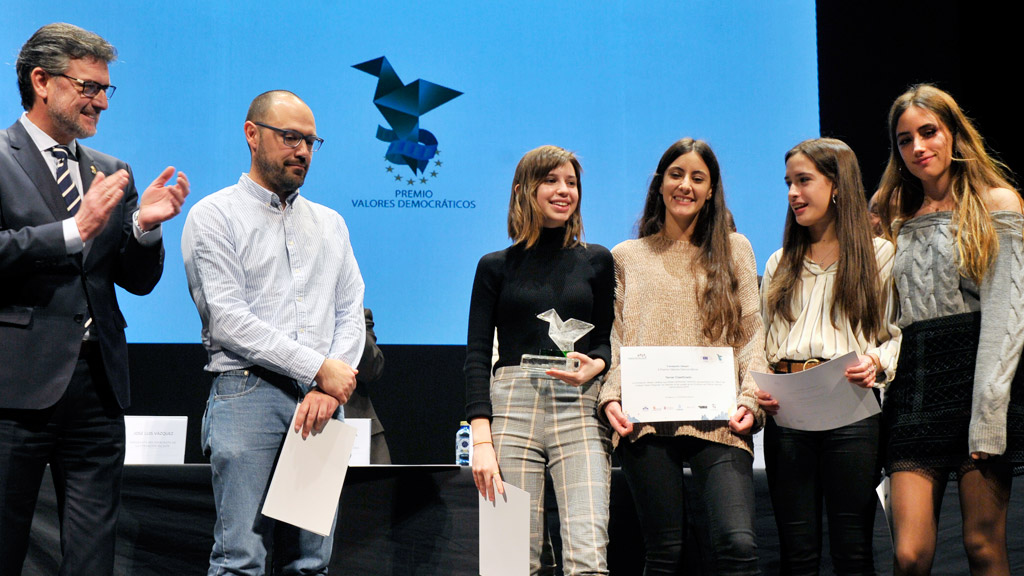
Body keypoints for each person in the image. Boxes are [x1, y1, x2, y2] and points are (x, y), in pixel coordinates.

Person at [0, 23, 189, 576]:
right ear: (41, 81)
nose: (101, 101)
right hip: (15, 388)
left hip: (97, 389)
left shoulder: (110, 170)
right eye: (88, 86)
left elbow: (136, 280)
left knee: (92, 557)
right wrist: (71, 231)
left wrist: (145, 228)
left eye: (106, 89)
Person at [181, 90, 365, 576]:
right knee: (241, 560)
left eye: (310, 141)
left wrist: (330, 383)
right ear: (252, 134)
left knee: (310, 564)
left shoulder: (331, 224)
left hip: (319, 403)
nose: (302, 151)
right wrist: (319, 368)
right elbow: (229, 320)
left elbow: (350, 311)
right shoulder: (214, 215)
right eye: (290, 137)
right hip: (247, 392)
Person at [876, 84, 1024, 576]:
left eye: (929, 132)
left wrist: (988, 413)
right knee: (909, 555)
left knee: (983, 546)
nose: (918, 147)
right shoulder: (894, 214)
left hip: (977, 380)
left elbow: (1007, 316)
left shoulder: (996, 202)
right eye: (905, 140)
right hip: (914, 387)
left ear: (954, 134)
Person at [599, 138, 766, 575]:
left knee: (738, 542)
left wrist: (750, 399)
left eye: (698, 177)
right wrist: (611, 396)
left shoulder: (736, 249)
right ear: (660, 184)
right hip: (646, 420)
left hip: (721, 420)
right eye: (676, 174)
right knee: (665, 552)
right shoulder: (626, 257)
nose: (685, 185)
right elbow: (615, 337)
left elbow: (752, 333)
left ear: (711, 191)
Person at [465, 145, 613, 575]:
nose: (564, 190)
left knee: (588, 559)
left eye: (571, 182)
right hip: (512, 408)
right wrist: (481, 440)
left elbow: (604, 342)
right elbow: (477, 355)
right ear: (523, 190)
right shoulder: (494, 267)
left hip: (579, 406)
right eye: (551, 180)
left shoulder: (597, 260)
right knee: (509, 561)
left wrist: (597, 365)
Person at [757, 138, 901, 575]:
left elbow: (898, 333)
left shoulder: (879, 255)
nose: (792, 193)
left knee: (852, 550)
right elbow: (763, 342)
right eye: (788, 183)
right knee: (797, 553)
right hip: (788, 411)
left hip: (850, 406)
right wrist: (759, 386)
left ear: (837, 185)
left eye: (803, 181)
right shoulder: (780, 262)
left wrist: (877, 362)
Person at [348, 307, 391, 464]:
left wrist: (347, 321)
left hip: (354, 432)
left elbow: (373, 368)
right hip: (295, 425)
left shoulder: (355, 314)